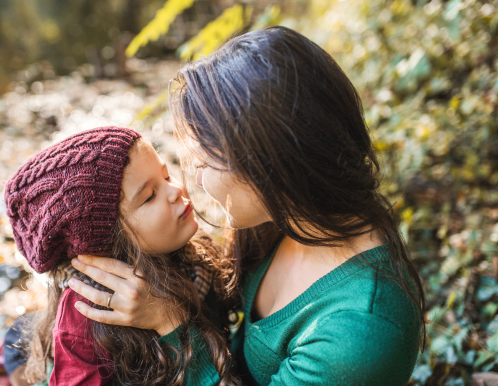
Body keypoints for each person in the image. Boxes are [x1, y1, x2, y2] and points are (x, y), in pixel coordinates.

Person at [69, 27, 426, 385]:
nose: (196, 181)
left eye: (206, 163)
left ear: (267, 167)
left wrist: (169, 322)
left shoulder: (358, 334)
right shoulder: (290, 216)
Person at [2, 126, 240, 386]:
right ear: (110, 242)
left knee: (19, 331)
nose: (176, 190)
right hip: (68, 360)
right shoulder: (87, 313)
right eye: (150, 196)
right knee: (18, 342)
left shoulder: (196, 257)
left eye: (167, 176)